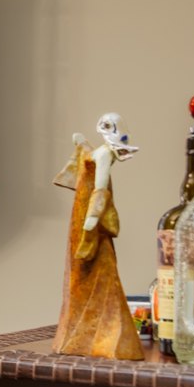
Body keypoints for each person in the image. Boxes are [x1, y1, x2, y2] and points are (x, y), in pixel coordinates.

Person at [52, 113, 144, 360]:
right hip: (80, 215)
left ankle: (106, 333)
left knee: (97, 268)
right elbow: (87, 156)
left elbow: (101, 188)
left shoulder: (105, 154)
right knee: (80, 272)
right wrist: (81, 143)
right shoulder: (100, 150)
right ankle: (79, 332)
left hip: (88, 219)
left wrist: (92, 219)